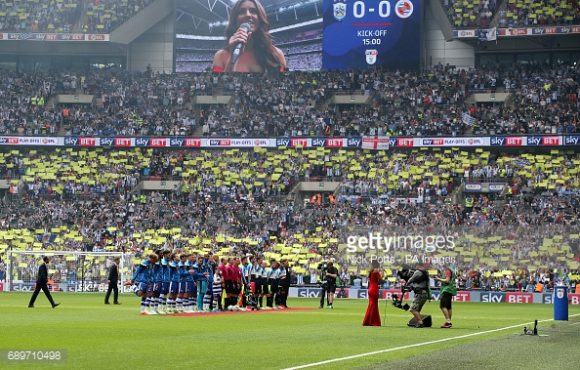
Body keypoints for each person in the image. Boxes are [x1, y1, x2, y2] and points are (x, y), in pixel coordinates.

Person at [212, 0, 286, 73]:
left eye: (253, 11)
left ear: (260, 18)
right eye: (241, 12)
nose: (248, 15)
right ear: (235, 19)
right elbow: (218, 84)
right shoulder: (220, 56)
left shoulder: (276, 54)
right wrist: (232, 59)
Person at [363, 261, 383, 326]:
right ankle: (372, 322)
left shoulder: (370, 271)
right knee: (374, 306)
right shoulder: (376, 271)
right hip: (374, 289)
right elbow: (381, 279)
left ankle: (367, 321)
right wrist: (382, 273)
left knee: (371, 305)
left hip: (370, 289)